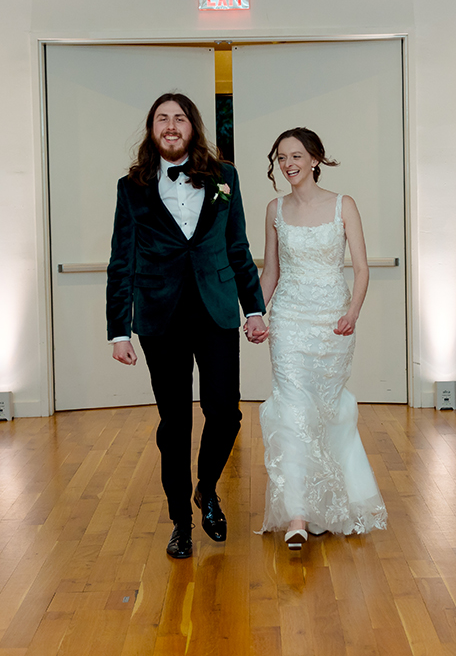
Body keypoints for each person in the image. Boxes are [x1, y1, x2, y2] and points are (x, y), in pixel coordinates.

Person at [106, 92, 268, 560]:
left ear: (193, 126)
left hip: (216, 310)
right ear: (152, 129)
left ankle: (207, 488)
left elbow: (237, 246)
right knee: (174, 423)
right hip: (160, 317)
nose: (171, 126)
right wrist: (119, 330)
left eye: (179, 118)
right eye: (162, 118)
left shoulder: (224, 178)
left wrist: (254, 309)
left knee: (226, 413)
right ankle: (180, 521)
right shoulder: (131, 187)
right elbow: (122, 260)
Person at [256, 127, 387, 551]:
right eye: (281, 158)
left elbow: (362, 269)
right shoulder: (275, 209)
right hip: (289, 321)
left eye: (296, 156)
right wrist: (255, 314)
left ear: (314, 159)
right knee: (292, 411)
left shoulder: (343, 205)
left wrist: (352, 313)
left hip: (333, 322)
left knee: (325, 412)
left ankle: (328, 504)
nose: (288, 164)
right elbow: (271, 272)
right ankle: (296, 514)